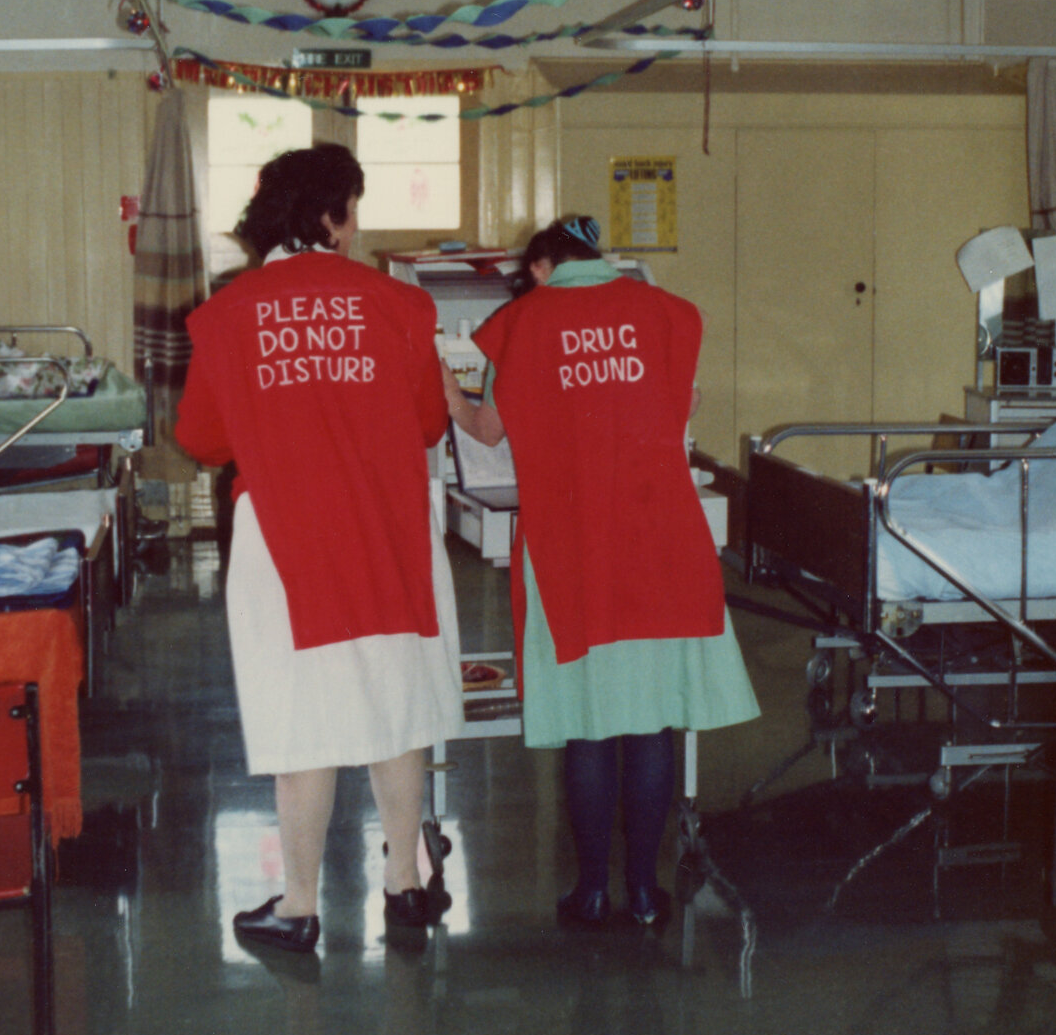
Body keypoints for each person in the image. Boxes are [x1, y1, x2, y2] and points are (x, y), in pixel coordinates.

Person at [174, 144, 463, 955]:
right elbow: (429, 425)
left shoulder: (230, 311)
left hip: (286, 539)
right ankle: (405, 887)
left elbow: (201, 437)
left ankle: (299, 905)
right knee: (397, 709)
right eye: (354, 209)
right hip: (389, 529)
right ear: (331, 214)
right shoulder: (397, 304)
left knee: (301, 718)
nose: (356, 226)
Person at [448, 218, 759, 930]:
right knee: (649, 727)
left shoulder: (521, 323)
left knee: (590, 729)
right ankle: (645, 895)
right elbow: (684, 409)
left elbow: (490, 429)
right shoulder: (666, 312)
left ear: (545, 264)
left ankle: (591, 891)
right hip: (661, 541)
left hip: (572, 546)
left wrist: (446, 391)